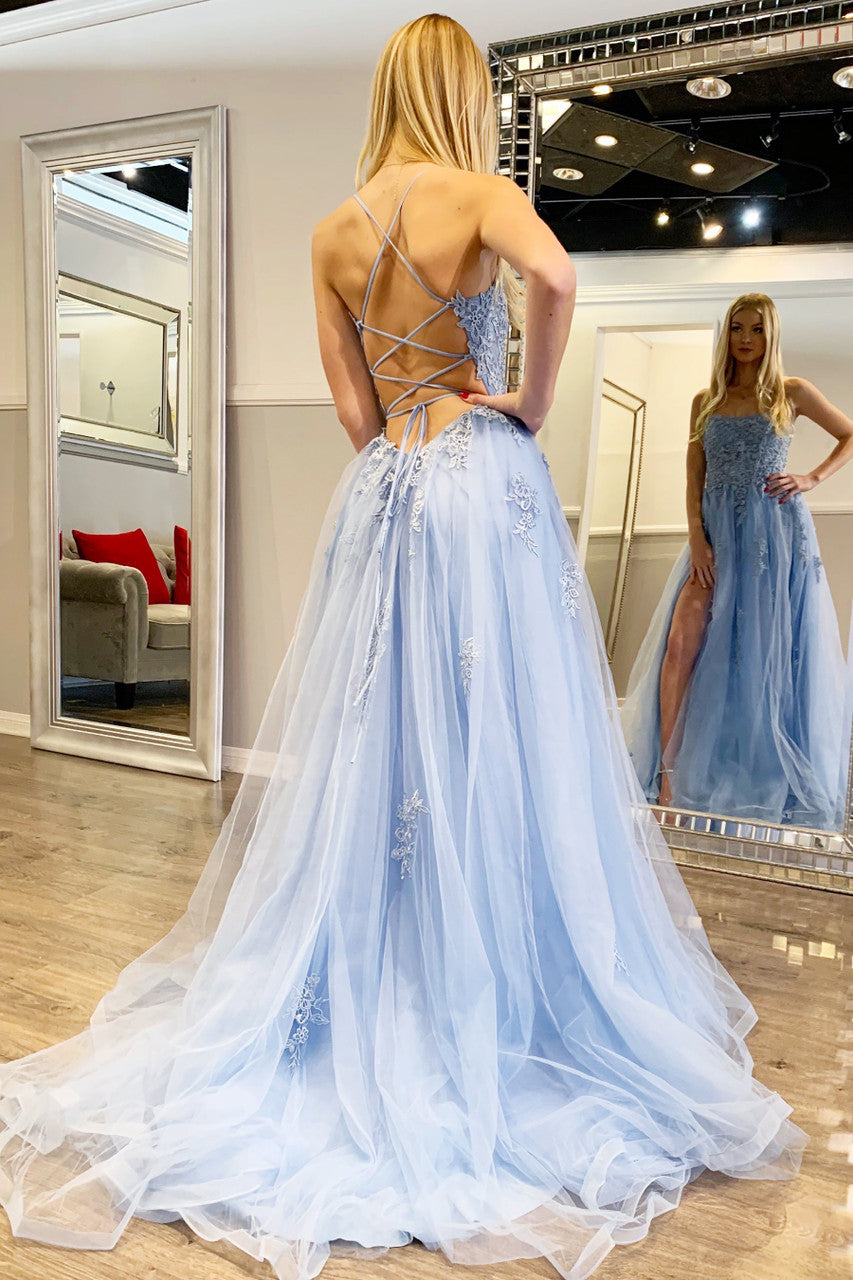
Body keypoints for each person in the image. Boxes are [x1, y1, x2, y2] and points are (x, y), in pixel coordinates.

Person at [0, 19, 808, 1280]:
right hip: (484, 488)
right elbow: (557, 280)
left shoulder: (331, 234)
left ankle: (381, 977)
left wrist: (407, 424)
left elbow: (349, 411)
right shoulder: (480, 193)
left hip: (385, 492)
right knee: (503, 734)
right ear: (462, 93)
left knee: (381, 746)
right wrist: (530, 407)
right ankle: (492, 985)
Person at [622, 292, 853, 828]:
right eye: (736, 328)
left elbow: (848, 433)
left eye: (756, 329)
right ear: (725, 336)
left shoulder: (791, 393)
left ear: (770, 337)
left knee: (760, 657)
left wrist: (811, 479)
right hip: (714, 539)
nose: (746, 339)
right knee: (681, 644)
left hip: (772, 539)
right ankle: (667, 776)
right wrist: (697, 537)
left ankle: (749, 770)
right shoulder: (706, 399)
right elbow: (693, 478)